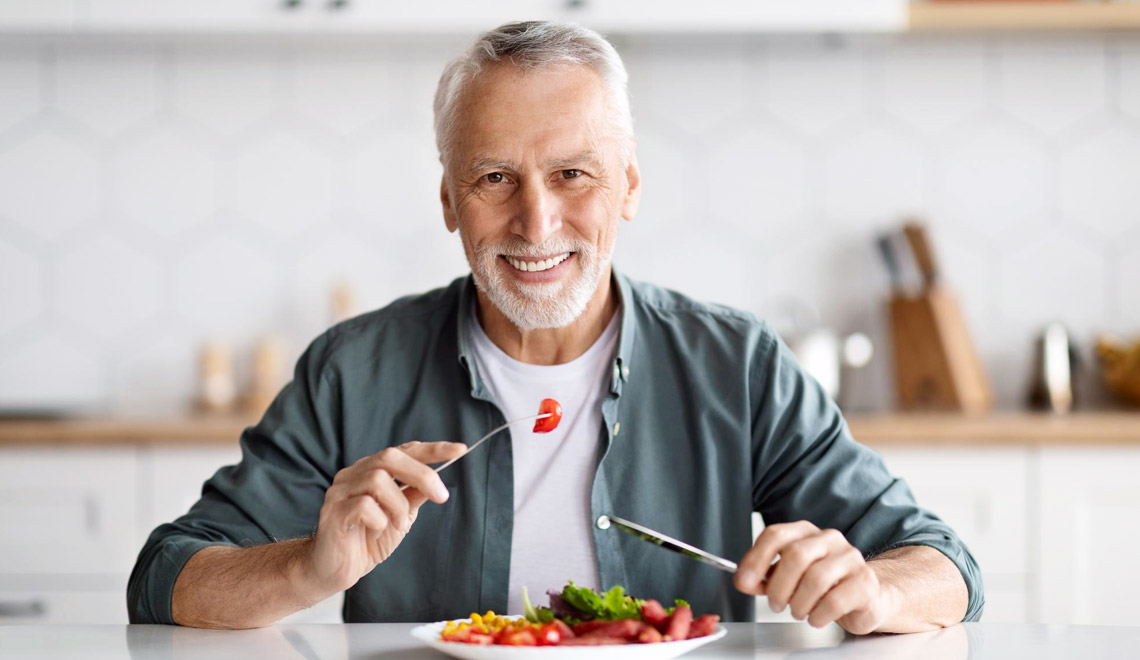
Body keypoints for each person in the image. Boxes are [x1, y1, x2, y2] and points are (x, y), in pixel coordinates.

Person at [128, 21, 982, 633]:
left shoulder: (738, 364)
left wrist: (873, 592)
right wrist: (309, 566)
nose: (536, 224)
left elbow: (941, 563)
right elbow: (167, 577)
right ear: (448, 203)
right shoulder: (354, 369)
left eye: (573, 174)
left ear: (629, 188)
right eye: (495, 177)